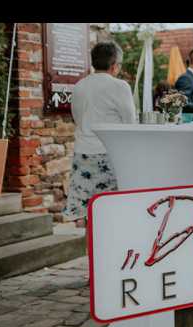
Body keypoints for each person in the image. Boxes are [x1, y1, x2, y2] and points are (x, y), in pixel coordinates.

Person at [63, 42, 136, 227]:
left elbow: (77, 118)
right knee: (112, 213)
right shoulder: (120, 86)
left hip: (83, 154)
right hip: (110, 155)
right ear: (114, 65)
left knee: (87, 215)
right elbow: (130, 123)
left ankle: (91, 254)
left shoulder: (79, 85)